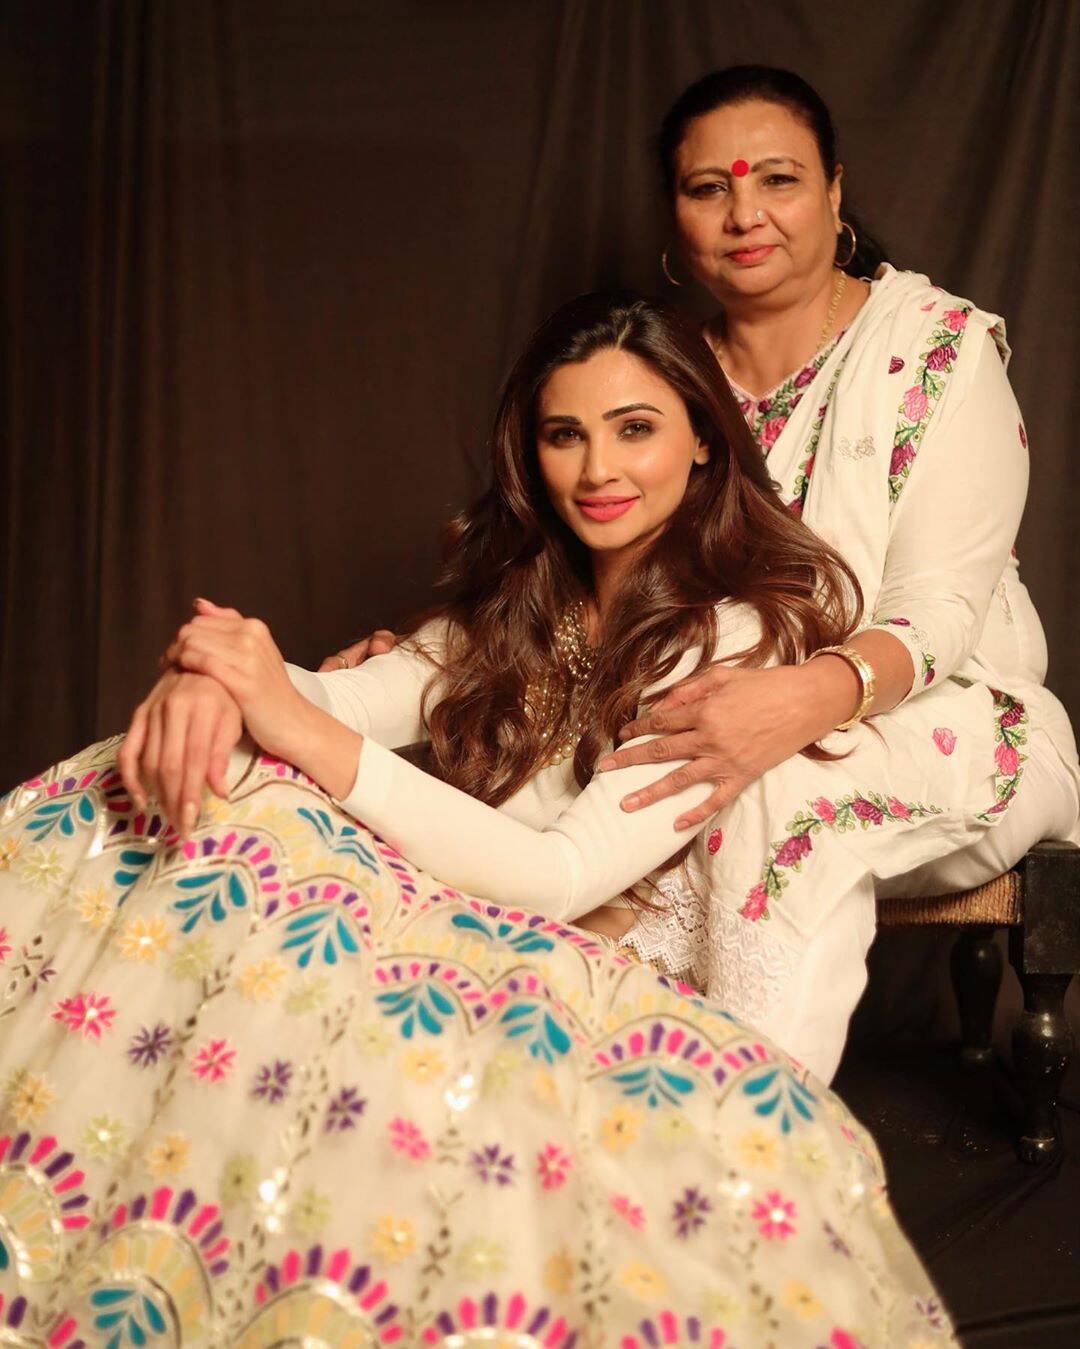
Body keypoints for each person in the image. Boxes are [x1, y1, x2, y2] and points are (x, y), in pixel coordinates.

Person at [0, 293, 955, 1346]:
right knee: (206, 776)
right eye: (565, 434)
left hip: (580, 988)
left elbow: (560, 875)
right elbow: (337, 697)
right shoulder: (523, 605)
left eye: (635, 428)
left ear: (702, 440)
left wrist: (280, 714)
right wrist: (210, 676)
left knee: (265, 805)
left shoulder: (741, 633)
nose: (597, 469)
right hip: (472, 942)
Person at [326, 66, 1080, 1069]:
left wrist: (803, 700)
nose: (745, 214)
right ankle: (543, 1091)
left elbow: (940, 605)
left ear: (836, 194)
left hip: (940, 719)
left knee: (767, 788)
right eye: (708, 187)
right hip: (698, 700)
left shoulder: (935, 349)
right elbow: (577, 583)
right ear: (674, 215)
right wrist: (436, 670)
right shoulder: (662, 373)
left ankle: (754, 1127)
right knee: (584, 786)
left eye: (779, 180)